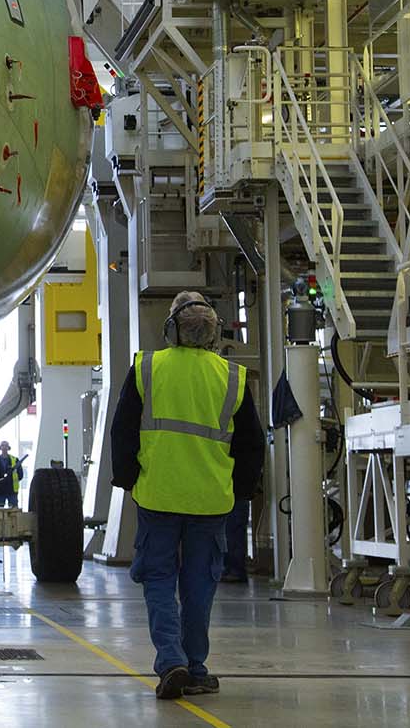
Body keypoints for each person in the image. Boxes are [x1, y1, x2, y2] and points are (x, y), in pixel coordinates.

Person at [110, 292, 264, 701]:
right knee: (200, 584)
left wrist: (127, 478)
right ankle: (196, 668)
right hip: (210, 501)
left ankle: (171, 661)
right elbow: (251, 443)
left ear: (171, 328)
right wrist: (242, 492)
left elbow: (122, 429)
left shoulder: (148, 367)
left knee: (158, 579)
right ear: (213, 332)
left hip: (158, 495)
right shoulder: (231, 376)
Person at [0, 440, 24, 507]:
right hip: (0, 490)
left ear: (8, 448)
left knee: (14, 512)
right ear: (0, 448)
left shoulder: (15, 460)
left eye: (6, 445)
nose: (4, 447)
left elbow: (20, 475)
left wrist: (11, 478)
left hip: (12, 490)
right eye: (3, 445)